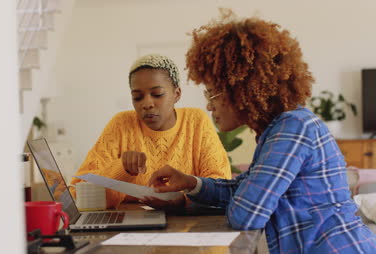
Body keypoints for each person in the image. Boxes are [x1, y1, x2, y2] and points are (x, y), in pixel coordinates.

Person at [148, 11, 376, 253]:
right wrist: (190, 183)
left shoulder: (293, 128)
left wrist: (237, 195)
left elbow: (246, 214)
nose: (209, 105)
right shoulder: (277, 130)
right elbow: (243, 192)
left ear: (242, 90)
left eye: (214, 93)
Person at [71, 54, 231, 209]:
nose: (147, 104)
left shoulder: (196, 121)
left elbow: (220, 186)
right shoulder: (121, 124)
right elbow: (79, 194)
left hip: (186, 224)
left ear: (177, 94)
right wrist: (122, 170)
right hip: (131, 226)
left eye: (157, 94)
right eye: (137, 97)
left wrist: (182, 201)